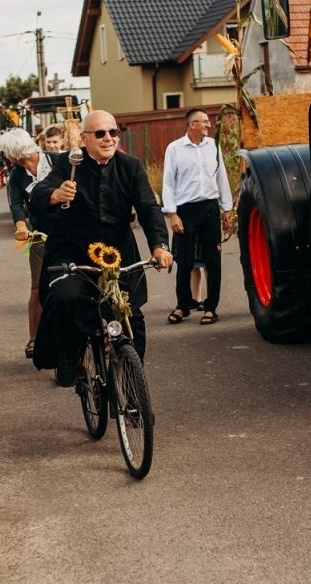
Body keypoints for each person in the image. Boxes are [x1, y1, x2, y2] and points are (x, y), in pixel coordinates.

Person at [30, 110, 173, 386]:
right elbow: (38, 193)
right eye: (100, 133)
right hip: (73, 253)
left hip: (118, 255)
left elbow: (148, 208)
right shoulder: (67, 163)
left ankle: (133, 388)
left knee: (134, 320)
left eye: (113, 132)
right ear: (84, 138)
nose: (108, 138)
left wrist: (159, 245)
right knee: (65, 298)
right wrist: (54, 195)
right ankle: (69, 354)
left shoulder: (130, 166)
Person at [161, 108, 234, 325]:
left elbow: (222, 177)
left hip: (210, 208)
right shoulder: (174, 149)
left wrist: (227, 209)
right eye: (204, 122)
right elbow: (168, 182)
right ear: (192, 125)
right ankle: (183, 306)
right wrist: (172, 214)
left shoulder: (214, 146)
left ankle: (210, 308)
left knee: (213, 260)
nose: (208, 125)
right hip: (185, 211)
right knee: (185, 261)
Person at [0, 127, 54, 359]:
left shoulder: (56, 161)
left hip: (71, 231)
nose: (7, 158)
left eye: (7, 153)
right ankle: (34, 338)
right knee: (38, 286)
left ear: (15, 153)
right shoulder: (17, 175)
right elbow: (15, 203)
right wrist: (21, 226)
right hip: (40, 234)